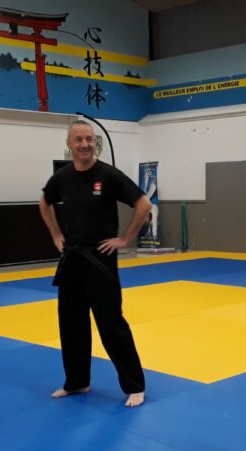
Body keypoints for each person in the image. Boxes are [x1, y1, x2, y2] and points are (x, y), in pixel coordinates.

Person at [39, 120, 152, 407]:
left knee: (111, 324)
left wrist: (125, 238)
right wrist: (55, 235)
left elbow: (143, 204)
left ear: (95, 143)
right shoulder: (62, 178)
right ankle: (77, 382)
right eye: (79, 139)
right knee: (71, 323)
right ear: (69, 144)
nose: (85, 144)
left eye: (89, 139)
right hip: (72, 258)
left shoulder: (108, 175)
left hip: (100, 258)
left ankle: (135, 386)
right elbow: (44, 201)